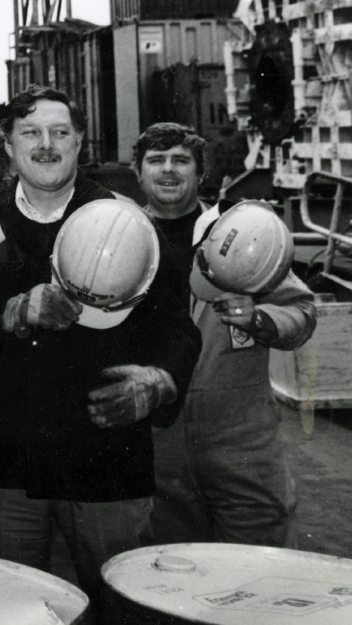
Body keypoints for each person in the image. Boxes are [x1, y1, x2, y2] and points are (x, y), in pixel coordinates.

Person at [0, 85, 201, 621]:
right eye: (30, 133)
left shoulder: (126, 220)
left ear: (80, 140)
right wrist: (8, 315)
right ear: (8, 145)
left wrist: (161, 380)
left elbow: (178, 328)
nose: (46, 145)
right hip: (4, 466)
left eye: (60, 132)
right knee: (11, 612)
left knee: (122, 610)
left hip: (106, 461)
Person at [135, 122, 316, 548]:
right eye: (156, 160)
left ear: (201, 175)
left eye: (181, 160)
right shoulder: (119, 241)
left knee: (256, 573)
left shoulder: (244, 238)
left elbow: (302, 311)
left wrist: (259, 318)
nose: (168, 170)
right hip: (155, 443)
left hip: (242, 441)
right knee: (171, 573)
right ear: (137, 173)